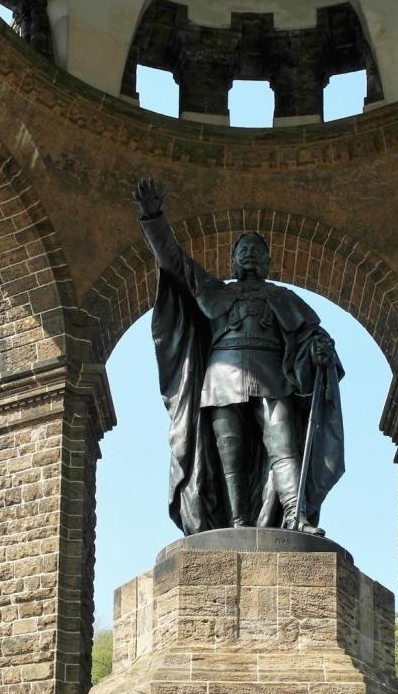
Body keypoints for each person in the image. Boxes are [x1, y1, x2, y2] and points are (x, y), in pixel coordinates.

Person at [133, 178, 344, 536]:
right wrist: (154, 217)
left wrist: (320, 351)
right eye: (242, 250)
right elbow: (175, 262)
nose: (249, 254)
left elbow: (312, 336)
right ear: (231, 261)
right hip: (220, 381)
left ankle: (296, 516)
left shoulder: (285, 298)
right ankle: (236, 525)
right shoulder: (214, 291)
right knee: (228, 457)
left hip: (272, 378)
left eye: (256, 250)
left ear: (268, 261)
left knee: (283, 448)